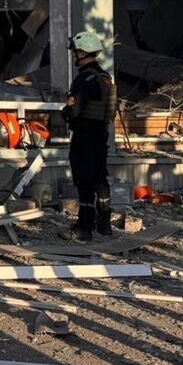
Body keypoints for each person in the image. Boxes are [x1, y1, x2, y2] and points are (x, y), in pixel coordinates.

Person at [59, 30, 117, 243]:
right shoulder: (105, 77)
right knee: (100, 178)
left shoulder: (84, 78)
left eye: (75, 52)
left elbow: (73, 110)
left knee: (84, 181)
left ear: (83, 53)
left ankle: (84, 228)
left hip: (84, 135)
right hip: (101, 133)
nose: (73, 55)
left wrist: (64, 113)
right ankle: (104, 225)